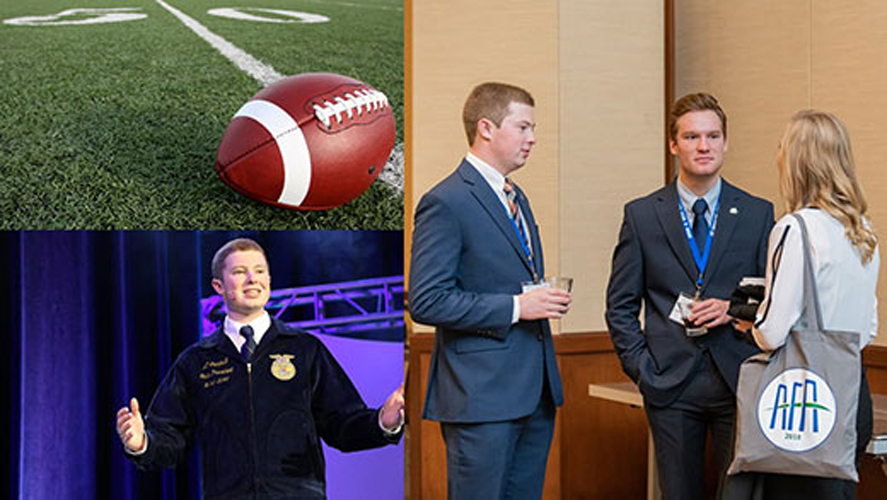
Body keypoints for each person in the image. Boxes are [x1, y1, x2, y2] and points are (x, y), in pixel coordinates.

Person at [115, 238, 404, 499]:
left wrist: (383, 421)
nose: (252, 279)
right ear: (219, 286)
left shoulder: (304, 349)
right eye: (239, 272)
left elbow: (342, 424)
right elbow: (170, 439)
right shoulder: (196, 361)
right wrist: (142, 442)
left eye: (260, 271)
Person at [605, 92, 774, 499]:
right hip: (670, 384)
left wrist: (731, 310)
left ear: (726, 142)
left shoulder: (757, 213)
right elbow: (620, 306)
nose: (704, 146)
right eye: (693, 136)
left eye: (713, 136)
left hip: (739, 380)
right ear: (673, 144)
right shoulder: (642, 215)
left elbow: (772, 297)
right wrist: (643, 370)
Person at [409, 82, 571, 499]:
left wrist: (537, 300)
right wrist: (518, 307)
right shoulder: (446, 202)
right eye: (523, 127)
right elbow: (427, 300)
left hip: (533, 393)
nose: (532, 138)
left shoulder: (518, 197)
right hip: (481, 399)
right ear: (486, 128)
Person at [731, 110, 878, 499]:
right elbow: (869, 328)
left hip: (799, 403)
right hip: (849, 394)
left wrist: (751, 324)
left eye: (782, 146)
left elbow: (772, 332)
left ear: (797, 160)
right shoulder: (864, 232)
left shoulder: (794, 228)